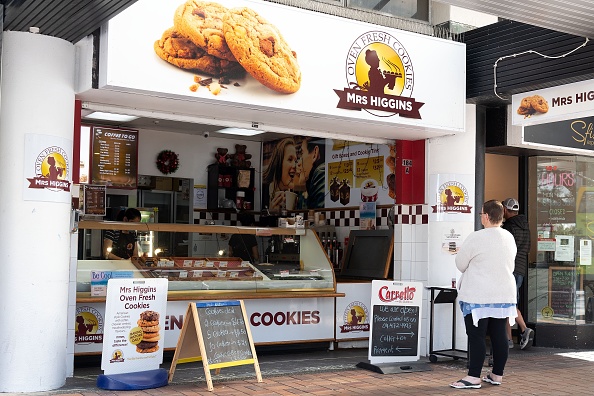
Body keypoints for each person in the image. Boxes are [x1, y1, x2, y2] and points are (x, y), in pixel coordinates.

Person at [450, 200, 517, 389]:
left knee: (477, 336)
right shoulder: (508, 237)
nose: (480, 216)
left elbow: (461, 264)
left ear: (486, 216)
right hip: (504, 293)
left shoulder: (476, 237)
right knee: (499, 335)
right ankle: (497, 375)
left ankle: (473, 377)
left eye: (481, 214)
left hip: (478, 295)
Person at [502, 197, 534, 350]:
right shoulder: (525, 226)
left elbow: (505, 249)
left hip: (509, 268)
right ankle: (508, 338)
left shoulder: (508, 227)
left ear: (505, 210)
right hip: (520, 269)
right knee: (509, 301)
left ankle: (522, 329)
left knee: (507, 302)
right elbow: (527, 248)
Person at [262, 137, 297, 212]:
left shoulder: (295, 194)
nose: (295, 165)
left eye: (295, 161)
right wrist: (271, 213)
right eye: (290, 159)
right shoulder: (264, 190)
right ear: (279, 164)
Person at [293, 137, 325, 209]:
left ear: (315, 153)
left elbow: (318, 214)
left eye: (302, 154)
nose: (298, 163)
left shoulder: (321, 173)